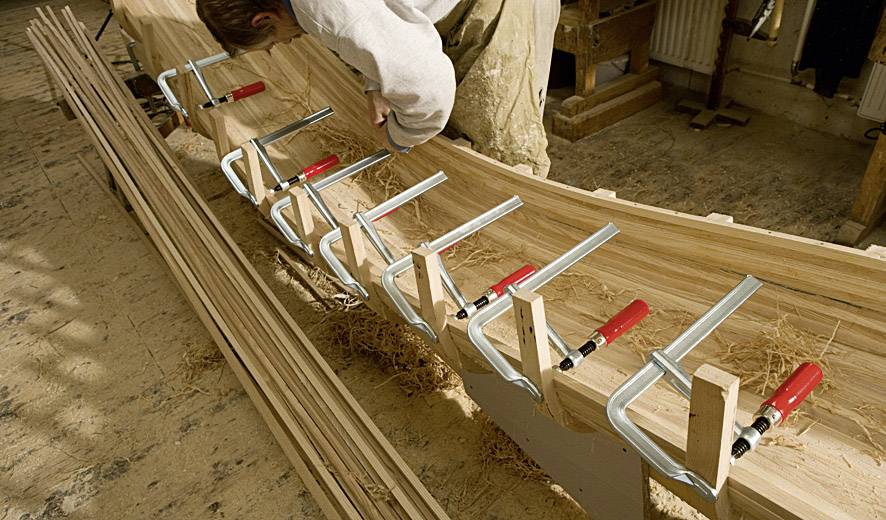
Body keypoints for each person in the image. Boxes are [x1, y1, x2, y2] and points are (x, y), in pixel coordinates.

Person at [196, 0, 559, 176]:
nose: (283, 45)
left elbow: (431, 88)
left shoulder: (327, 11)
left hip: (498, 6)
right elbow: (379, 13)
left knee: (505, 154)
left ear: (263, 18)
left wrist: (400, 138)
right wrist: (377, 80)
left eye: (273, 41)